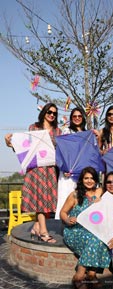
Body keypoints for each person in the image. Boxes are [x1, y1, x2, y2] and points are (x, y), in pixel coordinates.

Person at [5, 103, 62, 243]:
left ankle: (36, 226)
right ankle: (43, 232)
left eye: (54, 113)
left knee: (48, 201)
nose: (52, 115)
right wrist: (10, 144)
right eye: (49, 112)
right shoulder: (33, 127)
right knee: (41, 200)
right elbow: (25, 148)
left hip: (50, 170)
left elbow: (61, 151)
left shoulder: (58, 131)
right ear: (44, 112)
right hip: (36, 169)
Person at [60, 166, 111, 289]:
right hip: (74, 230)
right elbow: (63, 212)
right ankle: (79, 276)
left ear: (95, 180)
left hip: (93, 231)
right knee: (96, 239)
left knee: (100, 237)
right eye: (86, 178)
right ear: (81, 180)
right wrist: (67, 219)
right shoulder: (75, 195)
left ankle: (92, 275)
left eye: (91, 178)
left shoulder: (100, 192)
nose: (89, 181)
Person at [55, 107, 86, 219]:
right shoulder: (66, 131)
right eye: (74, 116)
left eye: (79, 116)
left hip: (82, 174)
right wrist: (64, 168)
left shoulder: (87, 133)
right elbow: (61, 152)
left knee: (80, 199)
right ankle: (63, 224)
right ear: (71, 118)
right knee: (66, 197)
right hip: (68, 173)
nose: (77, 118)